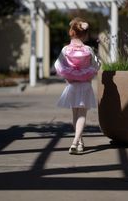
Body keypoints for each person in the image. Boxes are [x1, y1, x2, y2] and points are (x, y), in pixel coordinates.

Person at [54, 17, 101, 154]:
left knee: (75, 114)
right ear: (85, 34)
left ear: (72, 32)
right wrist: (87, 72)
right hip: (85, 85)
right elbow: (97, 64)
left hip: (72, 86)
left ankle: (79, 142)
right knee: (82, 115)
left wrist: (69, 74)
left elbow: (58, 65)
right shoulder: (88, 49)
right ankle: (75, 142)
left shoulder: (65, 50)